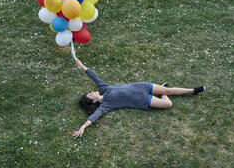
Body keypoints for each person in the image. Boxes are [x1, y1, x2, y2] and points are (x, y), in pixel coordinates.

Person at [72, 57, 205, 138]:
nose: (92, 91)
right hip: (142, 101)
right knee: (168, 104)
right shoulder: (106, 105)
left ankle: (193, 90)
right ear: (93, 100)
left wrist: (80, 65)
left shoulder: (103, 88)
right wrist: (83, 127)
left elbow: (93, 75)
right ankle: (162, 93)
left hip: (142, 87)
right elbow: (94, 116)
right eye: (90, 94)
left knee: (168, 90)